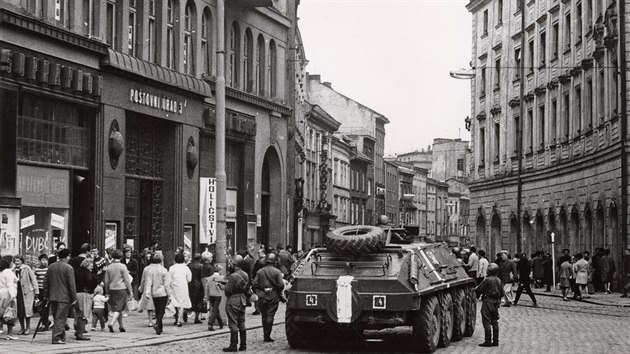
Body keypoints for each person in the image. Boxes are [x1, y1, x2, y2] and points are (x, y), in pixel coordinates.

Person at [43, 248, 86, 343]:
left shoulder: (51, 266)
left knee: (56, 317)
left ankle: (62, 335)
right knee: (61, 318)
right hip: (64, 296)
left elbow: (45, 282)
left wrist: (46, 294)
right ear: (67, 256)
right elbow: (71, 284)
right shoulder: (68, 268)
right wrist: (74, 298)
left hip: (53, 296)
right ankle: (56, 337)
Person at [253, 253, 285, 343]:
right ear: (274, 262)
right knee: (270, 315)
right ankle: (267, 335)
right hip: (273, 295)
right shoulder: (277, 272)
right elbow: (281, 285)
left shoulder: (260, 271)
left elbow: (255, 284)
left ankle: (265, 334)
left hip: (262, 295)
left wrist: (263, 288)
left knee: (264, 315)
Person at [223, 257, 249, 352]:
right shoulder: (245, 274)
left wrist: (225, 286)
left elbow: (228, 290)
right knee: (242, 322)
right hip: (242, 299)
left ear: (235, 265)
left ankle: (233, 345)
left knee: (233, 322)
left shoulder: (233, 276)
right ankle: (243, 344)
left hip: (233, 299)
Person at [475, 262, 504, 347]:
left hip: (487, 302)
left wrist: (477, 292)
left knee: (486, 322)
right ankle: (496, 341)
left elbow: (480, 289)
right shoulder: (498, 280)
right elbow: (502, 293)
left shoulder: (487, 280)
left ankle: (487, 341)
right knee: (495, 322)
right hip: (495, 304)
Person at [103, 249, 133, 333]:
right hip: (121, 288)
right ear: (121, 256)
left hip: (112, 289)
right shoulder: (123, 266)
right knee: (119, 308)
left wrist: (107, 291)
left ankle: (121, 326)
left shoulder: (109, 266)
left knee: (117, 307)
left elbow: (106, 281)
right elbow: (127, 280)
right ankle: (112, 323)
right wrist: (130, 290)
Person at [143, 253, 172, 335]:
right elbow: (167, 285)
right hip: (163, 293)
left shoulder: (150, 270)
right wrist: (169, 295)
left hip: (154, 293)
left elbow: (148, 283)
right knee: (161, 311)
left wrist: (147, 293)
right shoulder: (164, 270)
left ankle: (160, 328)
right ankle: (157, 323)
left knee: (157, 309)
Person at [12, 255, 38, 335]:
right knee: (19, 311)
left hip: (27, 292)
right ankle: (22, 328)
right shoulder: (13, 270)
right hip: (18, 292)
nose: (17, 263)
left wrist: (36, 291)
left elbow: (33, 279)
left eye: (18, 261)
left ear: (22, 261)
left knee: (27, 311)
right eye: (15, 261)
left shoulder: (27, 268)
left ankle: (28, 327)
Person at [169, 253, 192, 327]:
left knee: (175, 301)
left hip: (174, 286)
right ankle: (179, 320)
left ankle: (176, 317)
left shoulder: (172, 268)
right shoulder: (186, 268)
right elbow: (189, 279)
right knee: (182, 303)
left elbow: (169, 278)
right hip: (183, 286)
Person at [75, 257, 97, 333]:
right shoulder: (87, 273)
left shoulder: (77, 271)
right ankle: (81, 330)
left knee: (79, 311)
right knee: (84, 312)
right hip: (85, 294)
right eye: (91, 265)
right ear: (87, 265)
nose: (92, 266)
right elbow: (89, 282)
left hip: (77, 293)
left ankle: (78, 326)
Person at [0, 255, 18, 340]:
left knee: (2, 312)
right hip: (8, 294)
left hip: (1, 294)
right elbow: (10, 285)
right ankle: (10, 333)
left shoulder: (2, 272)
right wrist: (13, 296)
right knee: (10, 313)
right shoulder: (10, 273)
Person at [204, 264, 225, 331]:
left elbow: (206, 287)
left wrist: (206, 296)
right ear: (220, 271)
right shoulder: (220, 278)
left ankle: (220, 323)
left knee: (216, 309)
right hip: (218, 295)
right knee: (215, 310)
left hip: (211, 295)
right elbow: (222, 287)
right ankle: (210, 323)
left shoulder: (210, 278)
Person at [138, 251, 156, 327]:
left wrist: (141, 287)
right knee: (154, 305)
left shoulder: (146, 268)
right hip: (157, 288)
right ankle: (154, 320)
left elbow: (143, 279)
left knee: (150, 305)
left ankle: (150, 321)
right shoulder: (161, 268)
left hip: (149, 288)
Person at [187, 253, 205, 324]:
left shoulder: (189, 265)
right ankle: (196, 317)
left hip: (190, 284)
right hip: (198, 285)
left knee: (190, 299)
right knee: (198, 301)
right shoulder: (201, 266)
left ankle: (186, 311)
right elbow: (201, 276)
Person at [34, 254, 50, 331]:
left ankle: (44, 324)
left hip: (46, 291)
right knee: (39, 308)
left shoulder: (49, 269)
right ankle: (46, 321)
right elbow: (34, 280)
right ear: (39, 261)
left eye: (46, 260)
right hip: (39, 290)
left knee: (45, 308)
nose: (44, 262)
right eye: (43, 260)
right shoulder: (36, 270)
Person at [251, 247, 266, 315]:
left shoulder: (262, 261)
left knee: (259, 295)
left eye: (259, 253)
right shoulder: (259, 260)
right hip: (258, 280)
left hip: (260, 281)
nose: (257, 254)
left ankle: (259, 309)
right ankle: (259, 309)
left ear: (262, 253)